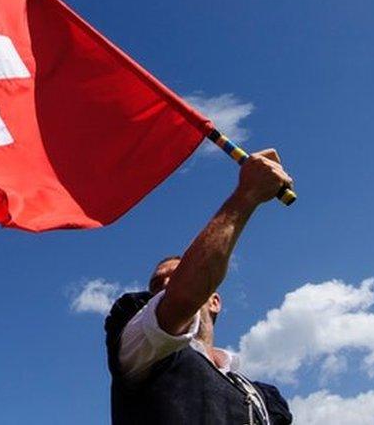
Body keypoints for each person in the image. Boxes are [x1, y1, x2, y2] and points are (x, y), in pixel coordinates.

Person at [105, 149, 295, 424]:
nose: (166, 285)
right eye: (157, 283)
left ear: (215, 301)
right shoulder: (141, 345)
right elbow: (183, 297)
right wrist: (247, 196)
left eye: (176, 274)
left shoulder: (264, 398)